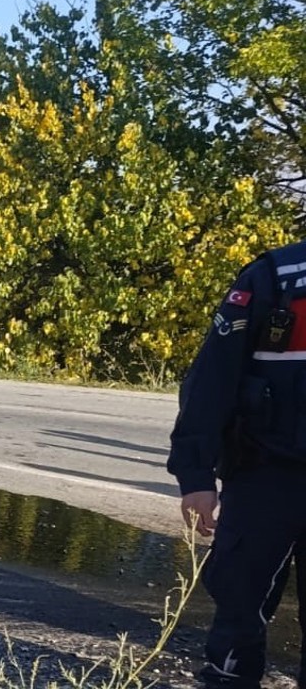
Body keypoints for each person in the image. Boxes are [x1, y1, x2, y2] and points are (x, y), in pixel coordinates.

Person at [168, 239, 306, 688]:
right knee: (239, 603)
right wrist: (196, 475)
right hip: (265, 473)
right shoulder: (273, 277)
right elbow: (212, 380)